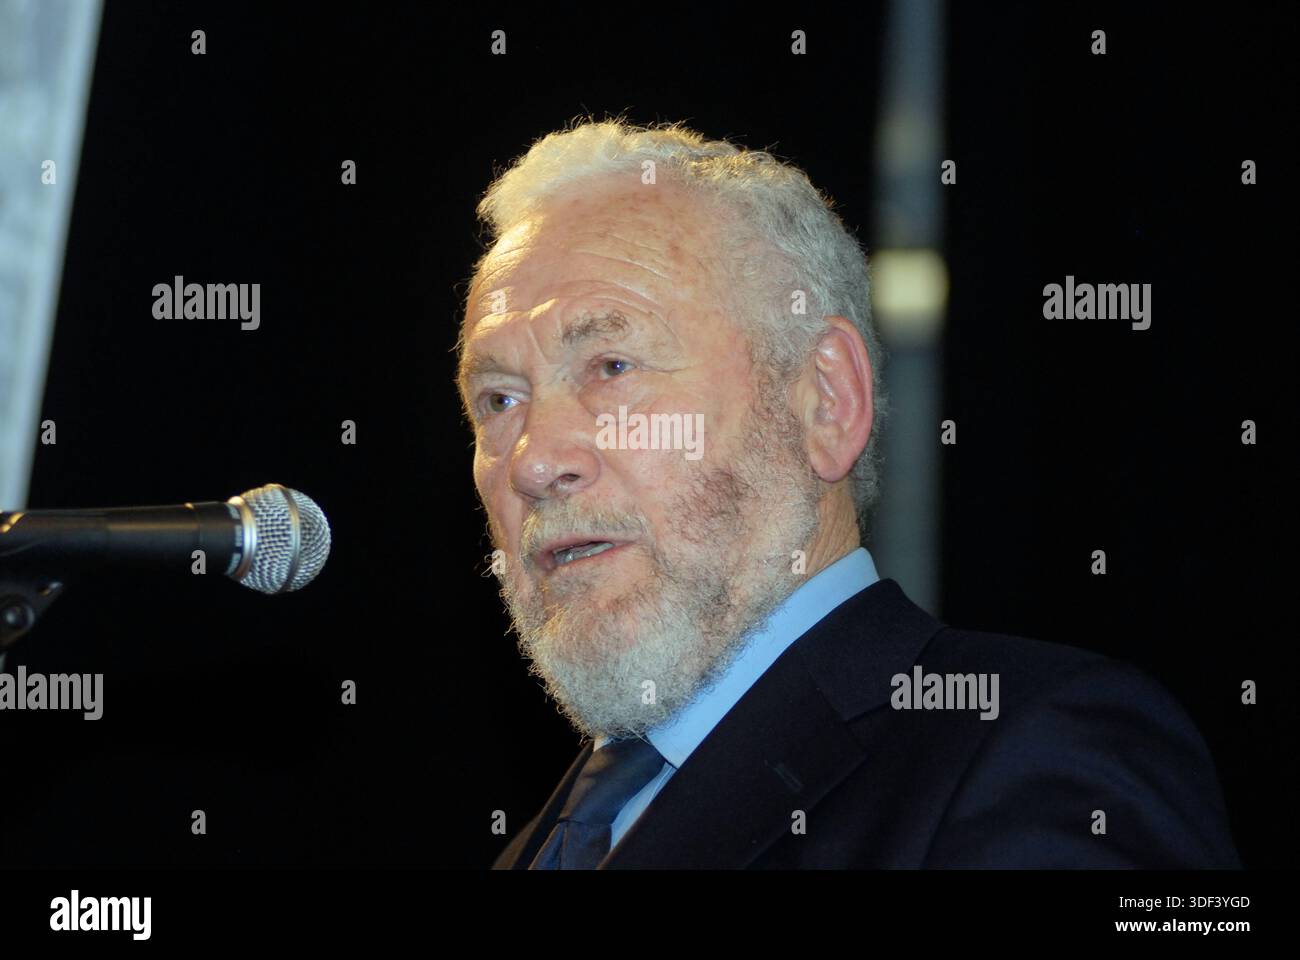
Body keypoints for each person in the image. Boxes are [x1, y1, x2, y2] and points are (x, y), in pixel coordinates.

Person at [456, 119, 1240, 869]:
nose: (534, 459)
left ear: (825, 402)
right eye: (498, 400)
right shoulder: (541, 845)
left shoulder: (1037, 748)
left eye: (612, 366)